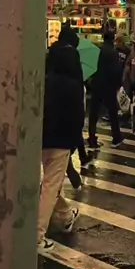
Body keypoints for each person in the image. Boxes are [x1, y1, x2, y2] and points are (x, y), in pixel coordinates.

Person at [39, 45, 85, 250]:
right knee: (50, 186)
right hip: (61, 141)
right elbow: (77, 119)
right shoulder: (74, 86)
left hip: (40, 139)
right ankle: (37, 235)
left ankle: (66, 215)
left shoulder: (43, 81)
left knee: (52, 184)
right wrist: (76, 145)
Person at [46, 26, 89, 190]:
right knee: (51, 181)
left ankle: (71, 169)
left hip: (48, 117)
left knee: (52, 169)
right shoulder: (72, 58)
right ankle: (72, 168)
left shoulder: (51, 54)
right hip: (67, 112)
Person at [87, 30, 123, 150]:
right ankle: (116, 137)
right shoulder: (113, 53)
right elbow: (116, 70)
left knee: (93, 113)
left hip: (97, 84)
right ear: (112, 39)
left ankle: (92, 137)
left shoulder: (98, 50)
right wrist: (118, 84)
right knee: (113, 112)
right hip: (109, 85)